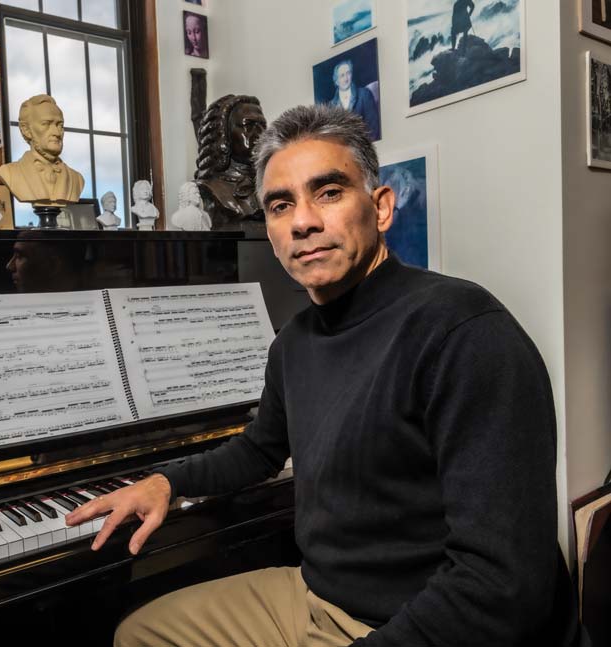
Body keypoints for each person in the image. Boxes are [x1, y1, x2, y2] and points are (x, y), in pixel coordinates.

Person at [65, 104, 585, 647]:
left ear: (380, 208)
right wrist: (168, 481)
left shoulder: (464, 331)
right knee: (140, 634)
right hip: (318, 598)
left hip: (420, 623)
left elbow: (500, 585)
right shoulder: (293, 343)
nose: (303, 221)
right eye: (280, 204)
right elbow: (260, 449)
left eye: (329, 192)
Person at [194, 94, 268, 229]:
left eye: (262, 125)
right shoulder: (207, 190)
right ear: (223, 135)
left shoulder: (271, 185)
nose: (260, 133)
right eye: (248, 125)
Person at [0, 94, 85, 204]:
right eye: (46, 124)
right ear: (26, 130)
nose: (57, 133)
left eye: (60, 125)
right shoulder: (9, 173)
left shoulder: (77, 179)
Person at [328, 59, 381, 141]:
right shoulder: (330, 107)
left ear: (351, 75)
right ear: (336, 81)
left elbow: (373, 127)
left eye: (348, 73)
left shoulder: (364, 94)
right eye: (342, 75)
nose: (346, 78)